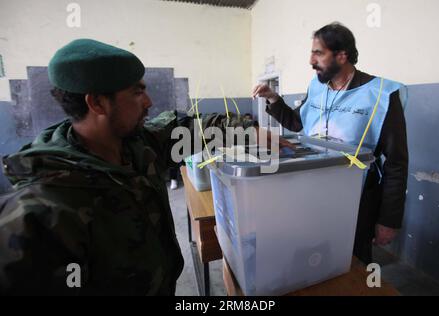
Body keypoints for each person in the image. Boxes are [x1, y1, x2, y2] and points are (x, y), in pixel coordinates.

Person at [0, 39, 263, 295]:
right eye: (136, 92)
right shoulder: (40, 214)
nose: (148, 101)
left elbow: (187, 129)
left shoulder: (138, 145)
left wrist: (251, 131)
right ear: (97, 103)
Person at [252, 22, 409, 264]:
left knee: (351, 264)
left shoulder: (382, 95)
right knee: (313, 258)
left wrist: (389, 220)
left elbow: (396, 163)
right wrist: (273, 98)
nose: (311, 60)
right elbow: (297, 122)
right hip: (311, 193)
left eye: (318, 53)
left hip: (356, 202)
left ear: (342, 55)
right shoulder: (317, 87)